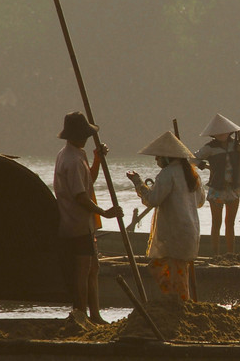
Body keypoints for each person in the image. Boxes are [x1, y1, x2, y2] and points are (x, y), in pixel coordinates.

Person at [54, 111, 123, 325]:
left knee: (93, 268)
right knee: (82, 271)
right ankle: (82, 315)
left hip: (84, 224)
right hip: (76, 224)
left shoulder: (79, 154)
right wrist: (104, 212)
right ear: (74, 135)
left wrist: (97, 159)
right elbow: (80, 196)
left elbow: (88, 181)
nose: (86, 137)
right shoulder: (70, 159)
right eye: (83, 134)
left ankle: (94, 315)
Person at [126, 131, 206, 301]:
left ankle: (180, 306)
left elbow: (152, 200)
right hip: (189, 231)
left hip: (175, 233)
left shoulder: (168, 174)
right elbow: (200, 201)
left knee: (177, 275)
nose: (156, 160)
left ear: (168, 157)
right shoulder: (191, 174)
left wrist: (138, 182)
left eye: (158, 157)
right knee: (169, 270)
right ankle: (173, 300)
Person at [192, 113, 240, 257]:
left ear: (230, 131)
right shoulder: (210, 148)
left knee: (230, 223)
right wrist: (203, 165)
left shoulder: (239, 145)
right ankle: (216, 254)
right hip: (217, 189)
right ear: (213, 134)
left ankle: (230, 252)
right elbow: (192, 158)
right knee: (216, 222)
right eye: (218, 132)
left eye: (224, 131)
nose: (221, 134)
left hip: (234, 188)